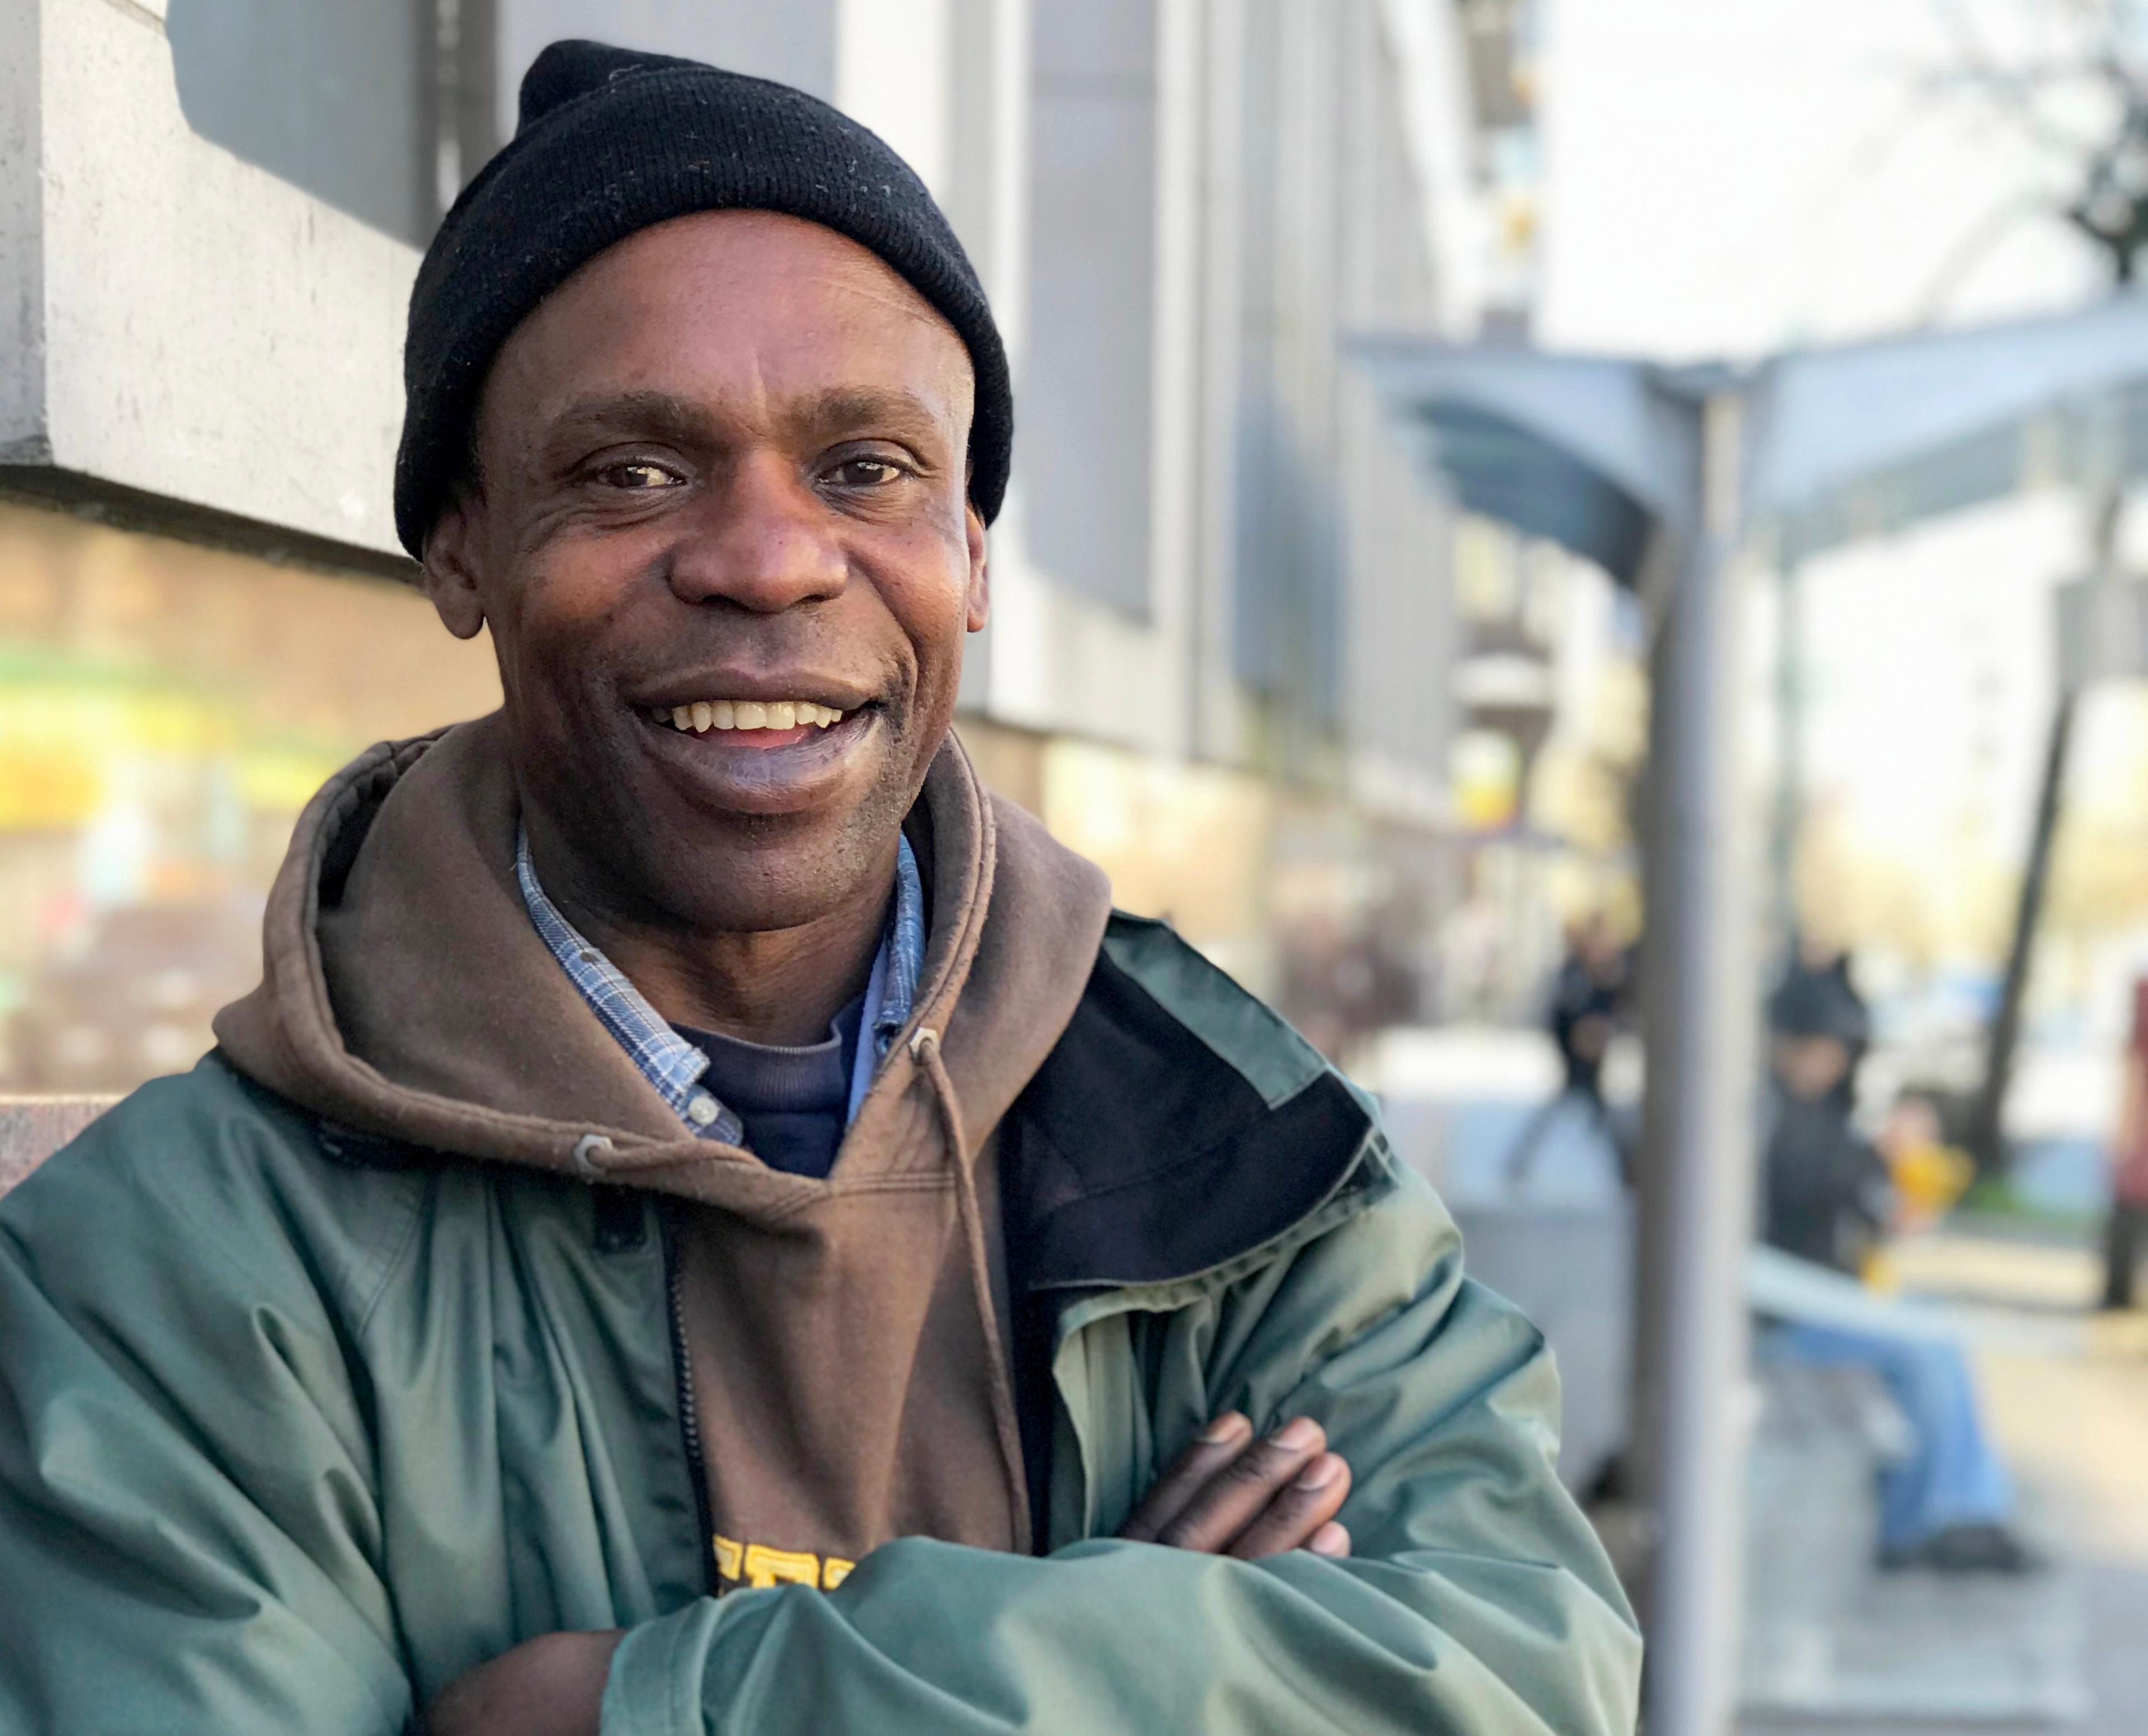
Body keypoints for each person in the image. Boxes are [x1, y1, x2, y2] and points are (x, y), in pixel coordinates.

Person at [0, 42, 1639, 1736]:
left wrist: (627, 1710)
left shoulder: (1245, 1162)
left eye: (865, 468)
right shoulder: (171, 1264)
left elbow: (1519, 1671)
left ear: (974, 553)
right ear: (460, 544)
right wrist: (1126, 1657)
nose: (771, 557)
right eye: (633, 469)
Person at [1505, 911, 1630, 1188]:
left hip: (1591, 1063)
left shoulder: (1599, 975)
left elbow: (1612, 1009)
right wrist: (1581, 1037)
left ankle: (1627, 1173)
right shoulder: (1576, 975)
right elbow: (1565, 1017)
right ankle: (1519, 1162)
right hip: (1577, 1062)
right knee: (1589, 1117)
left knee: (1603, 1119)